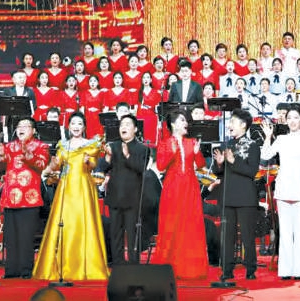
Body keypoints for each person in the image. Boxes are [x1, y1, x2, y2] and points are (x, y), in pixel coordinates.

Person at [34, 112, 108, 281]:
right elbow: (56, 165)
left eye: (79, 123)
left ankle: (86, 265)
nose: (76, 126)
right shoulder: (63, 145)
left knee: (82, 222)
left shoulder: (91, 145)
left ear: (84, 127)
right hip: (65, 188)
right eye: (73, 123)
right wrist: (50, 167)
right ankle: (62, 264)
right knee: (65, 222)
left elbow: (93, 164)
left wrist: (88, 161)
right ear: (68, 126)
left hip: (82, 187)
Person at [260, 107, 300, 281]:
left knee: (299, 232)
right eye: (289, 117)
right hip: (283, 189)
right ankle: (285, 270)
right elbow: (265, 155)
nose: (292, 121)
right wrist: (268, 137)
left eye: (295, 117)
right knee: (285, 232)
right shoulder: (281, 139)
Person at [151, 109, 208, 279]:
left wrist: (197, 152)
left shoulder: (191, 142)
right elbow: (161, 166)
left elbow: (201, 165)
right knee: (171, 224)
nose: (186, 123)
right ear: (173, 124)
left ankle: (190, 269)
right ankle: (168, 266)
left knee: (190, 225)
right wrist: (172, 151)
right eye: (182, 120)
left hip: (190, 187)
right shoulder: (165, 143)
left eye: (186, 120)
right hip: (172, 187)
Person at [0, 116, 51, 279]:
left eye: (26, 126)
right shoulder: (9, 146)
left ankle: (26, 270)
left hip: (29, 199)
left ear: (33, 130)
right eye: (19, 126)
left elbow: (41, 166)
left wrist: (28, 155)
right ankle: (11, 270)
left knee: (26, 236)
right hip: (10, 198)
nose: (21, 128)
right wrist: (0, 157)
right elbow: (0, 167)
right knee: (11, 237)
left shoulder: (41, 146)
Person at [213, 110, 261, 282]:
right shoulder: (226, 144)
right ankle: (227, 270)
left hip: (246, 197)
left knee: (248, 236)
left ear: (243, 125)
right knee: (227, 236)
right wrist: (219, 164)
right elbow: (218, 172)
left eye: (233, 122)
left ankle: (250, 268)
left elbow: (252, 171)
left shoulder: (253, 145)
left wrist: (234, 161)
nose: (229, 125)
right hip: (227, 196)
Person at [101, 114, 150, 265]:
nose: (124, 127)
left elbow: (141, 168)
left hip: (133, 199)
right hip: (115, 197)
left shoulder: (142, 148)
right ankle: (118, 263)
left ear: (135, 129)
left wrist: (127, 155)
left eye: (128, 124)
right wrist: (107, 158)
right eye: (122, 124)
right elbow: (103, 168)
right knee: (115, 233)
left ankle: (134, 265)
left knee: (132, 233)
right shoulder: (113, 146)